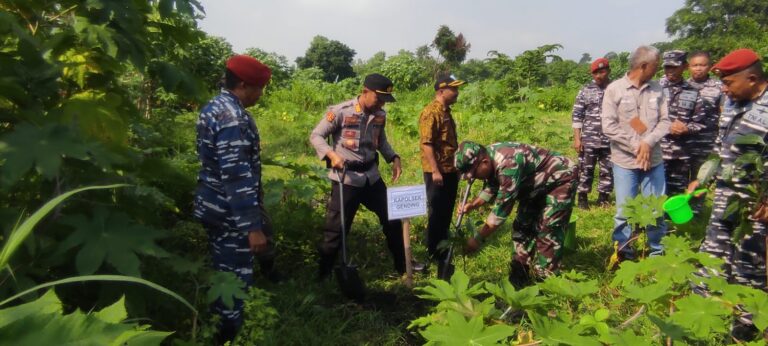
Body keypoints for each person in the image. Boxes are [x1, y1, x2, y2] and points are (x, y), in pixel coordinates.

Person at [193, 55, 272, 343]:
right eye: (259, 88)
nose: (260, 94)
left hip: (213, 205)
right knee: (233, 283)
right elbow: (236, 177)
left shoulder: (214, 106)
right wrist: (252, 227)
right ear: (242, 84)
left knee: (222, 272)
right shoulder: (233, 117)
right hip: (230, 215)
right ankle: (224, 336)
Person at [309, 73, 407, 281]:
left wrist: (394, 157)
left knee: (392, 219)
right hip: (346, 179)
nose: (381, 103)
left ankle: (403, 266)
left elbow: (381, 142)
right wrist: (332, 155)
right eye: (378, 98)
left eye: (385, 100)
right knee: (336, 230)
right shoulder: (341, 112)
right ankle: (323, 276)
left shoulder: (380, 115)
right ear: (364, 92)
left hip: (371, 177)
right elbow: (316, 135)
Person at [688, 48, 768, 292]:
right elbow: (719, 146)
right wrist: (704, 179)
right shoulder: (733, 102)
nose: (723, 88)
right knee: (710, 257)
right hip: (725, 197)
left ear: (752, 79)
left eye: (728, 82)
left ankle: (744, 326)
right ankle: (694, 316)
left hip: (756, 206)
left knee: (750, 267)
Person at [454, 141, 577, 288]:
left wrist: (477, 238)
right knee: (522, 227)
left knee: (548, 231)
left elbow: (500, 212)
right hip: (532, 184)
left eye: (474, 174)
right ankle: (519, 276)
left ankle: (547, 285)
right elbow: (493, 184)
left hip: (560, 179)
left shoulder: (508, 165)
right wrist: (473, 205)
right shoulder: (488, 156)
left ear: (484, 162)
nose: (474, 178)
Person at [601, 45, 670, 260]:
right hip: (625, 162)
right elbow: (609, 126)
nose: (657, 71)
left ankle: (657, 251)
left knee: (656, 209)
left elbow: (665, 121)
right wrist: (636, 145)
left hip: (654, 160)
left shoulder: (658, 89)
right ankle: (624, 252)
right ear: (643, 66)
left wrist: (647, 142)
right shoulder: (614, 89)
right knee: (624, 211)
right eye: (655, 66)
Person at [419, 74, 465, 274]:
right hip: (436, 172)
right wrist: (436, 171)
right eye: (453, 89)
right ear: (441, 91)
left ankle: (443, 248)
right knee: (437, 212)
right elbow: (427, 144)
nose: (456, 93)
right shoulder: (431, 113)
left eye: (457, 89)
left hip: (449, 170)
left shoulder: (446, 111)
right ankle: (434, 252)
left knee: (446, 211)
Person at [659, 50, 707, 196]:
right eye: (667, 67)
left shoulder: (693, 92)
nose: (670, 71)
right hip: (658, 150)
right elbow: (644, 118)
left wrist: (686, 129)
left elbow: (700, 122)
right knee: (655, 191)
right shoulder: (654, 89)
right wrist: (667, 127)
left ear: (684, 66)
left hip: (681, 152)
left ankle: (673, 218)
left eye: (674, 67)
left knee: (677, 192)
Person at [572, 58, 613, 209]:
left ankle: (604, 197)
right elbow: (577, 115)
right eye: (595, 73)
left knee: (608, 169)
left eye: (602, 72)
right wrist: (577, 138)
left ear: (608, 71)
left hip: (611, 138)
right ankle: (582, 198)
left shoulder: (616, 89)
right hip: (589, 138)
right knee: (585, 169)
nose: (598, 76)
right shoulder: (585, 90)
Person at [687, 51, 723, 175]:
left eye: (702, 65)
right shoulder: (683, 86)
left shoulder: (719, 87)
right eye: (695, 65)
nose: (698, 69)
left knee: (701, 182)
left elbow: (723, 113)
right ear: (689, 67)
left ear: (710, 66)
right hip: (685, 142)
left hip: (707, 142)